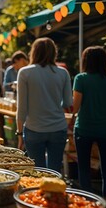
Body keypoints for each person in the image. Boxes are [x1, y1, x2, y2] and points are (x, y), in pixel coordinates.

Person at [16, 37, 72, 172]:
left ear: (33, 52)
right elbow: (68, 103)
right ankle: (55, 193)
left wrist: (19, 134)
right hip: (58, 128)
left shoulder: (25, 72)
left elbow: (22, 108)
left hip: (34, 129)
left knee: (38, 172)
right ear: (54, 52)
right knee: (55, 172)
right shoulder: (63, 73)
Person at [70, 46, 106, 203]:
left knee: (84, 168)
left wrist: (69, 120)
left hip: (84, 129)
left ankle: (87, 201)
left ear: (86, 60)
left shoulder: (81, 79)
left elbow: (75, 107)